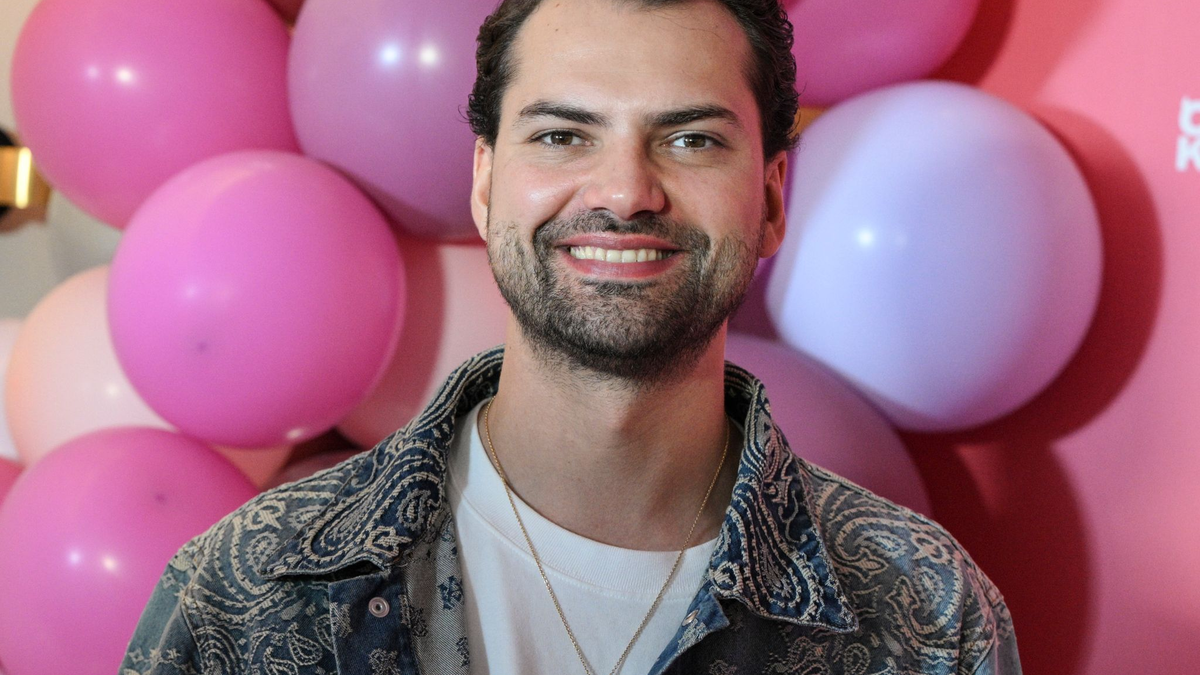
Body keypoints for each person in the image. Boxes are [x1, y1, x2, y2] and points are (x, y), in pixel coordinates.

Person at [121, 0, 1022, 673]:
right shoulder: (246, 590)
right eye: (561, 135)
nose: (624, 189)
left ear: (775, 197)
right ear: (484, 184)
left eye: (692, 140)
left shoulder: (928, 618)